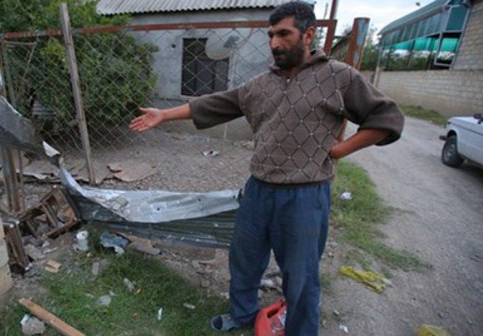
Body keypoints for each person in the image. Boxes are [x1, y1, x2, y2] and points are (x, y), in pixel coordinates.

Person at [129, 1, 405, 334]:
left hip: (305, 196)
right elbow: (218, 103)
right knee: (244, 260)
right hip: (258, 190)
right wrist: (164, 114)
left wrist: (340, 149)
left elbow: (388, 119)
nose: (274, 43)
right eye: (271, 35)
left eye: (283, 34)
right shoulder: (261, 84)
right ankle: (242, 314)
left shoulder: (339, 77)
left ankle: (300, 329)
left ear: (308, 34)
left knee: (300, 274)